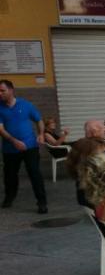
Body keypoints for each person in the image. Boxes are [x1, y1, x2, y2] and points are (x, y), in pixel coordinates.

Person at [0, 79, 48, 213]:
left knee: (35, 174)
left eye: (2, 91)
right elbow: (1, 129)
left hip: (30, 147)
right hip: (10, 149)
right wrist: (14, 141)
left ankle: (42, 202)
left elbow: (39, 120)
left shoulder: (26, 105)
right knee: (10, 176)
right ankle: (9, 197)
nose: (0, 94)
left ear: (11, 90)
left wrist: (41, 134)